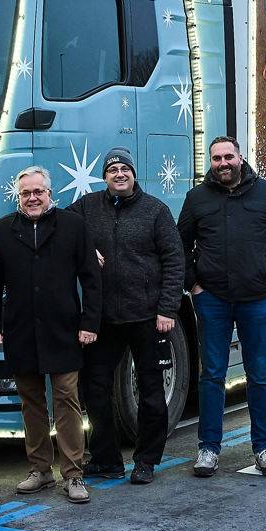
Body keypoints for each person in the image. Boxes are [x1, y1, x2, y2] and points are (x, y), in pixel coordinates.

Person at [177, 136, 266, 478]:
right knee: (212, 375)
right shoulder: (196, 198)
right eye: (216, 158)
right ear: (211, 162)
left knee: (259, 375)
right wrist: (194, 286)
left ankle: (264, 448)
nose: (223, 163)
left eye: (228, 156)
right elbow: (178, 245)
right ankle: (208, 449)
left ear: (240, 158)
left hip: (257, 298)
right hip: (211, 299)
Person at [0, 167, 102, 504]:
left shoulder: (73, 227)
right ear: (18, 197)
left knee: (67, 400)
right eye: (25, 193)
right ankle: (40, 470)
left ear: (50, 194)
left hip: (64, 329)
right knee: (31, 402)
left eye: (38, 192)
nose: (32, 198)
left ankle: (74, 474)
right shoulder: (2, 230)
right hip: (21, 330)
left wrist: (89, 323)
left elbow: (92, 279)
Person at [65, 147, 184, 485]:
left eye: (124, 169)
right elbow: (59, 226)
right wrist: (86, 249)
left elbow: (175, 260)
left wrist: (167, 309)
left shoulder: (156, 211)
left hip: (147, 316)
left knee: (150, 391)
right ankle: (106, 459)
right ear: (104, 177)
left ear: (134, 175)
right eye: (112, 169)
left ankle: (146, 460)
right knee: (94, 387)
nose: (119, 174)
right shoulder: (88, 207)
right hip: (104, 318)